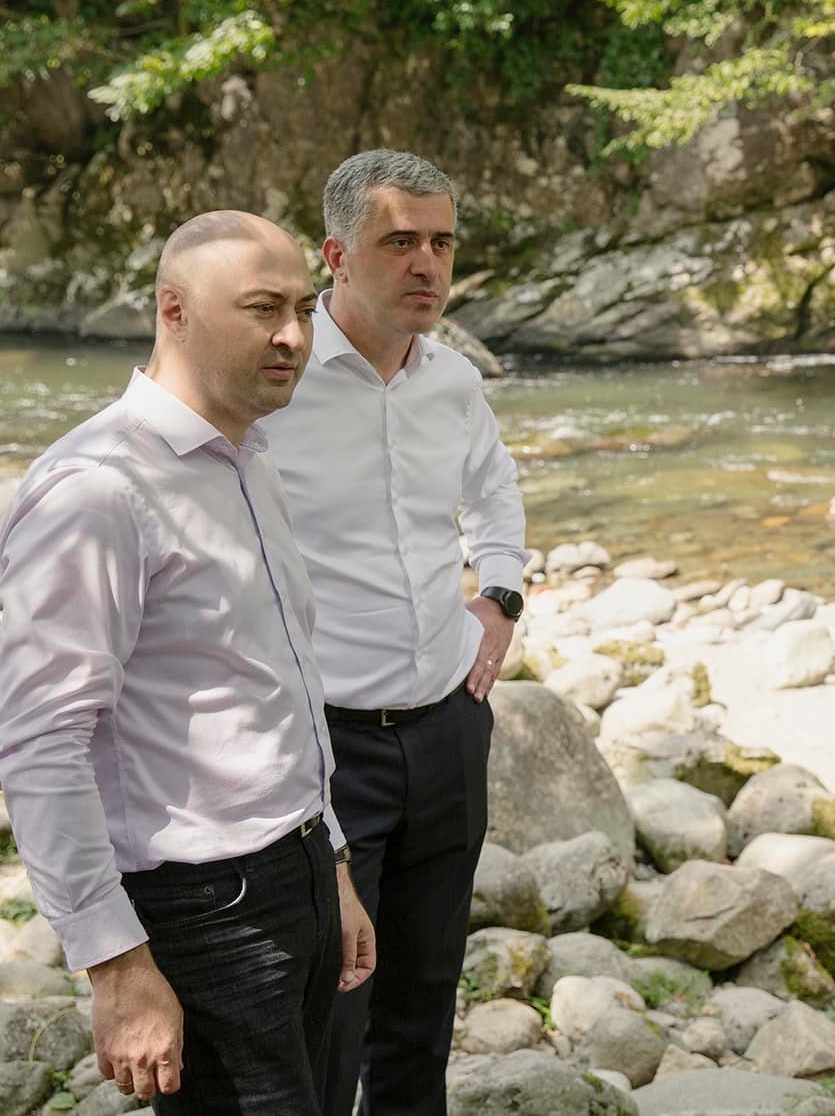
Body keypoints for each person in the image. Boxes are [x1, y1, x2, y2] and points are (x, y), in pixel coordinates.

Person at [0, 211, 375, 1114]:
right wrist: (116, 965)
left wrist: (333, 865)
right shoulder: (98, 489)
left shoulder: (248, 457)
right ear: (174, 310)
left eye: (304, 308)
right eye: (263, 308)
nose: (294, 335)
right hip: (205, 913)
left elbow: (280, 689)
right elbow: (42, 744)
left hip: (300, 871)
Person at [260, 150, 526, 1116]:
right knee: (331, 1013)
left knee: (423, 1003)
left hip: (449, 728)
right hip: (329, 747)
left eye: (442, 243)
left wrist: (501, 595)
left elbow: (495, 489)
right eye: (400, 241)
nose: (427, 264)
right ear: (336, 255)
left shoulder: (453, 379)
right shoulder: (275, 380)